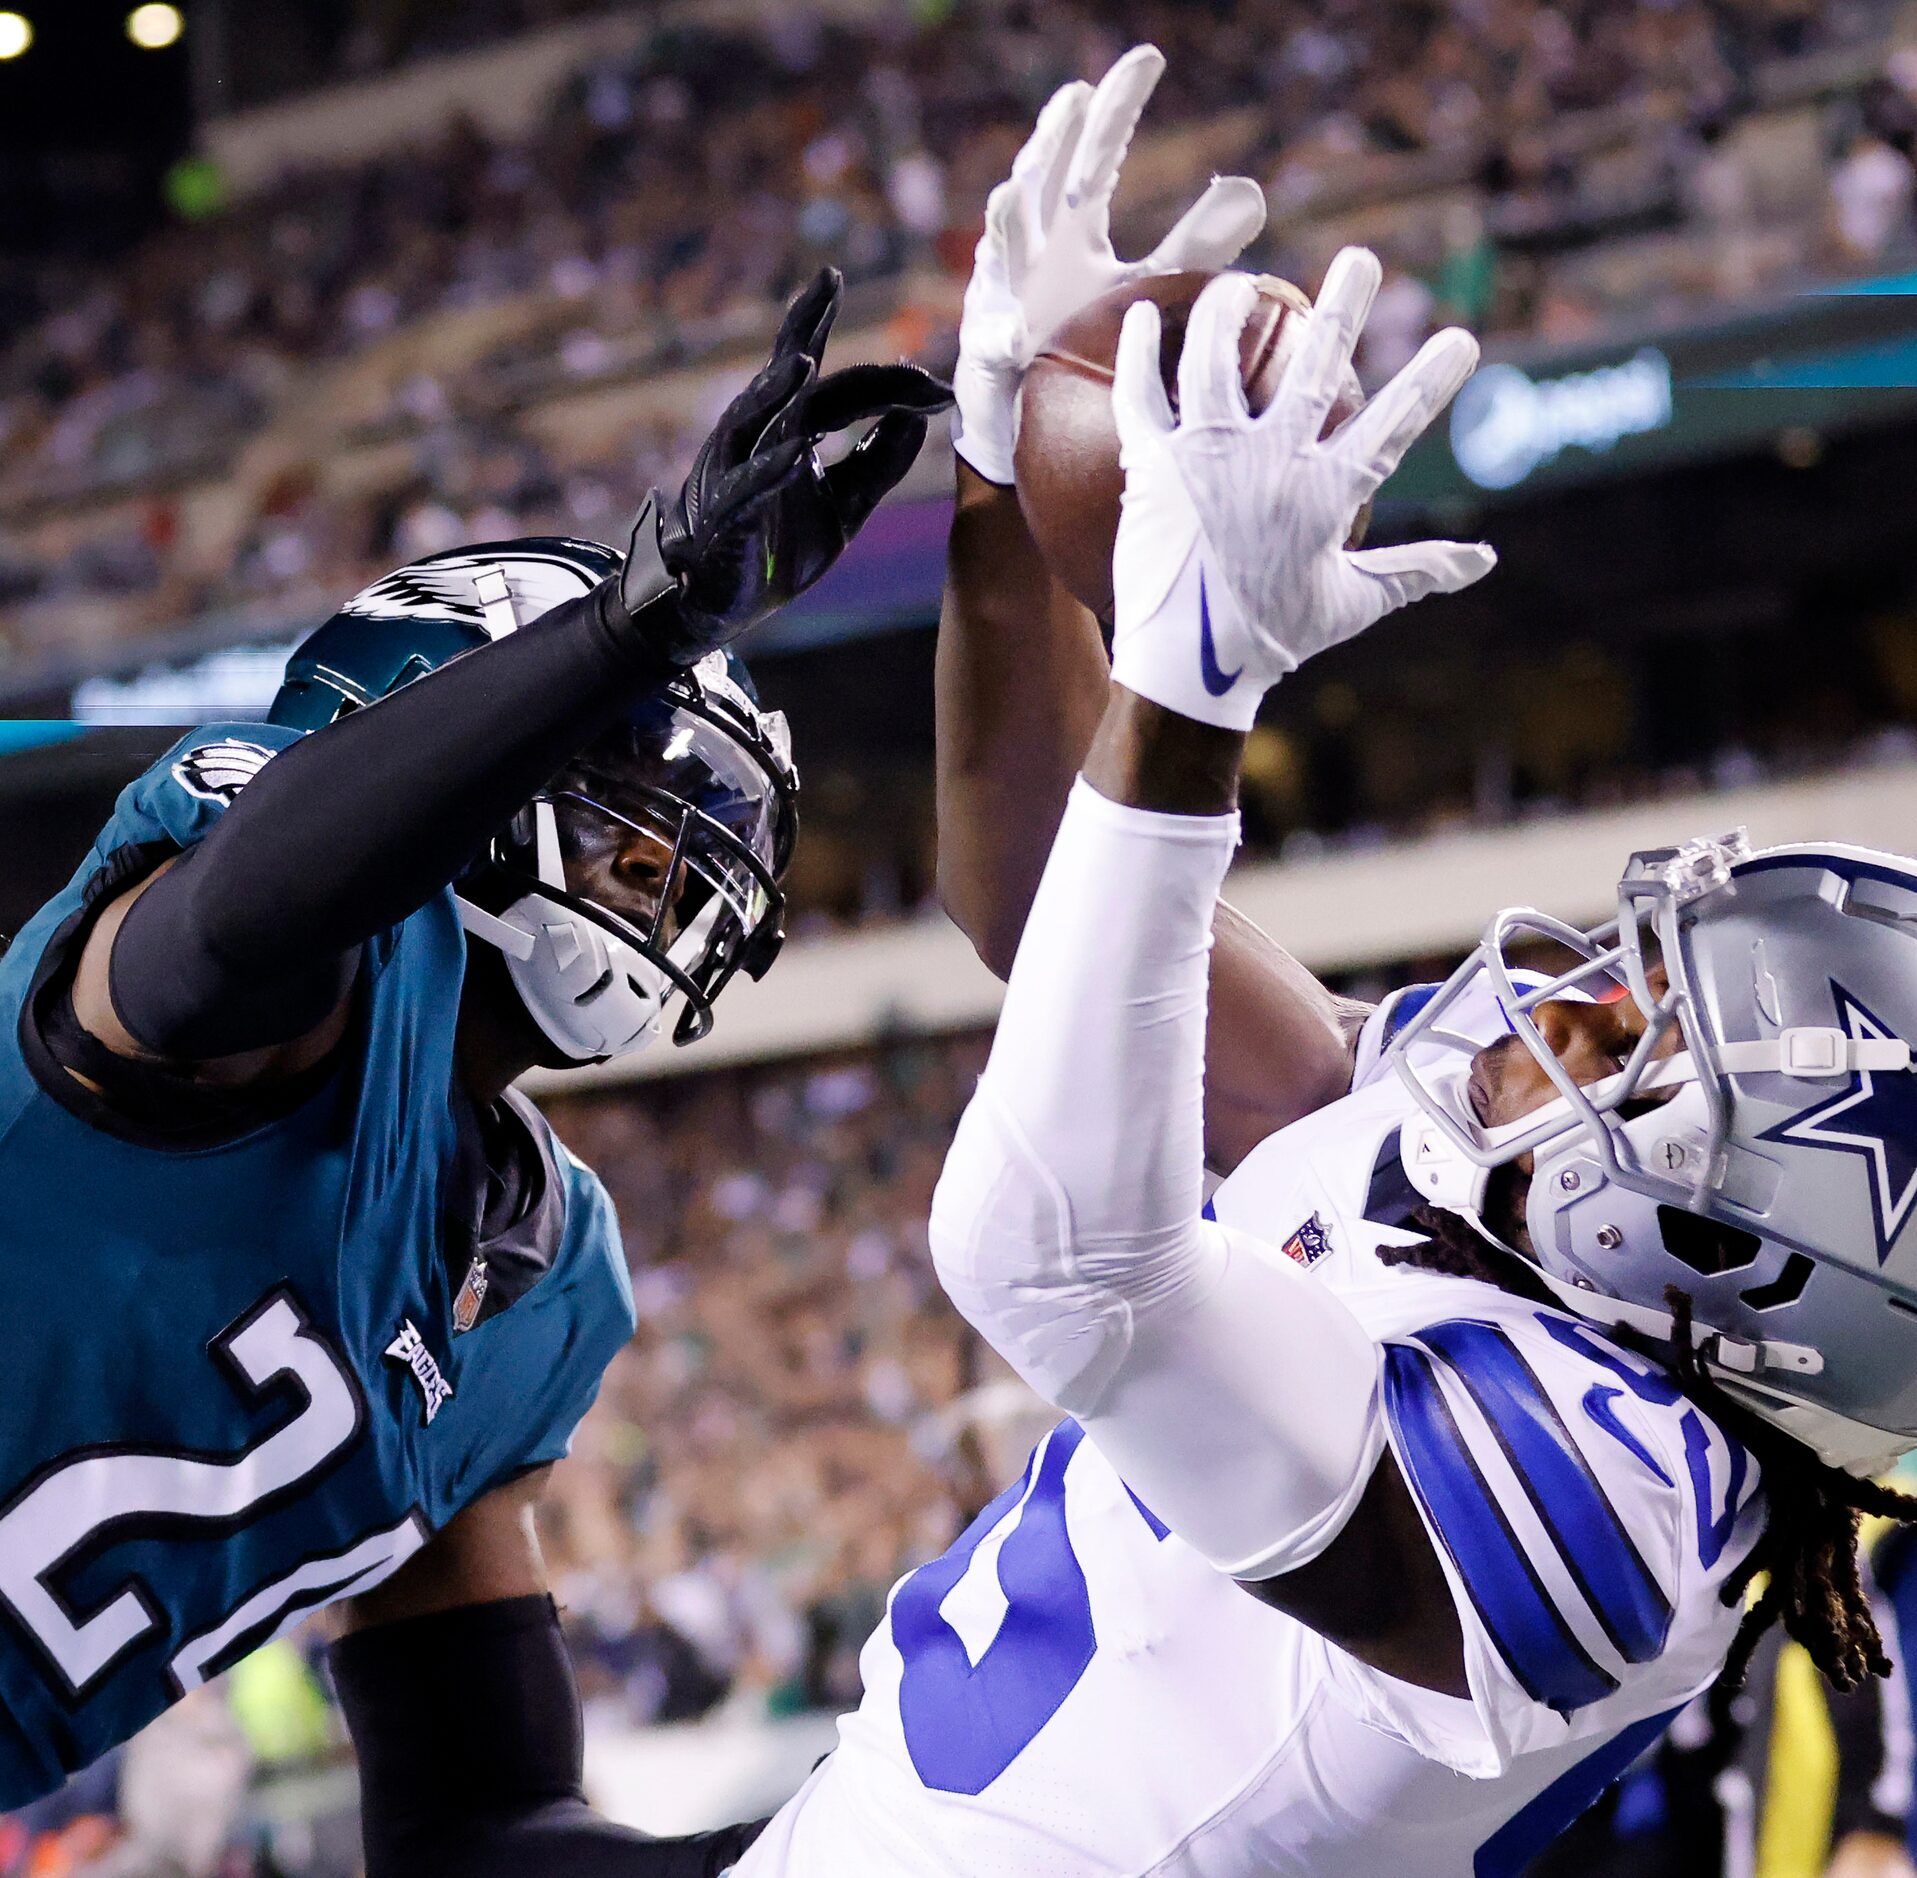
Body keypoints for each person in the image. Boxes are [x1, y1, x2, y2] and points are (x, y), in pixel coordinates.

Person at [0, 266, 950, 1878]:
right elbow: (249, 917)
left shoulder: (544, 1276)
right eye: (625, 806)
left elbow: (477, 1825)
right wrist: (617, 627)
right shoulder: (251, 948)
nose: (674, 882)